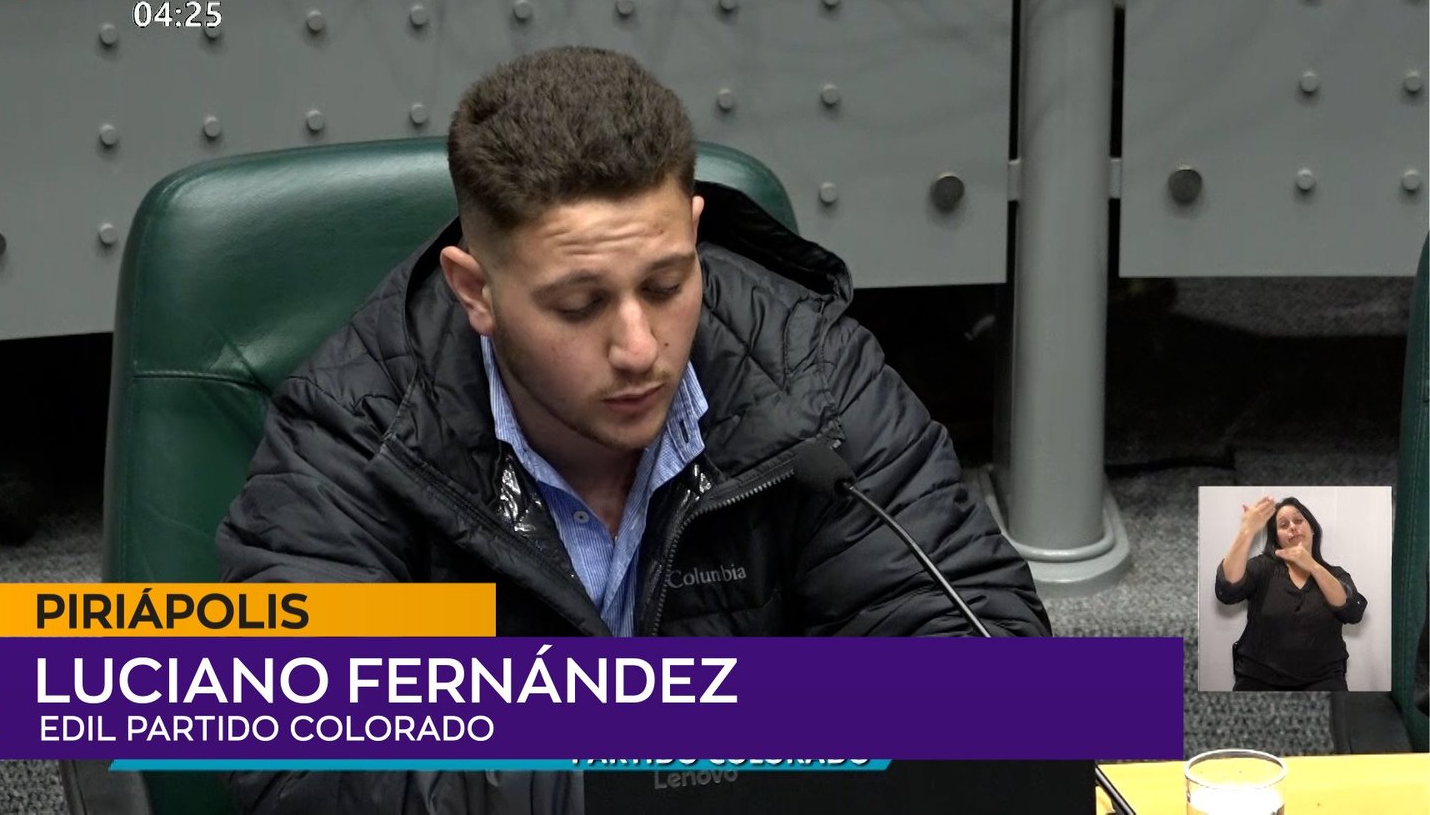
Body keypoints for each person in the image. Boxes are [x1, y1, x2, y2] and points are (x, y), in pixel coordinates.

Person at [216, 46, 1049, 812]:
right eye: (579, 305)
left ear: (694, 231)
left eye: (665, 284)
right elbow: (301, 758)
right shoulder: (357, 429)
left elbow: (981, 657)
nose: (640, 348)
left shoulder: (808, 373)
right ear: (476, 292)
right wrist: (649, 767)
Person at [1215, 495, 1367, 691]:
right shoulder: (1263, 567)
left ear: (1312, 528)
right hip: (1258, 678)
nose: (1293, 527)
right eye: (1284, 525)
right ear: (1277, 539)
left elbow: (1352, 613)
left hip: (1323, 679)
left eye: (1298, 520)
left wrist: (1313, 566)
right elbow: (1228, 590)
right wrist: (1247, 531)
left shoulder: (1335, 574)